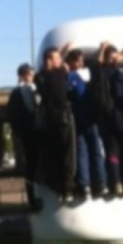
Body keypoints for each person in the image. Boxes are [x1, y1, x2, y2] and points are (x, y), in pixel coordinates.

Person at [89, 39, 123, 196]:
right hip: (121, 115)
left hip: (106, 117)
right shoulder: (118, 73)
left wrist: (103, 49)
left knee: (112, 150)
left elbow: (97, 62)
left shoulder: (100, 71)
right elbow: (120, 91)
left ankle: (115, 182)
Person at [35, 45, 77, 203]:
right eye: (57, 58)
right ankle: (68, 189)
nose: (60, 60)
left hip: (49, 121)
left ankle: (59, 188)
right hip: (63, 119)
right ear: (50, 61)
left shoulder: (39, 78)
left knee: (55, 155)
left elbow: (47, 71)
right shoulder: (60, 74)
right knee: (68, 154)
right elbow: (62, 69)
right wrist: (66, 52)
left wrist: (62, 51)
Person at [65, 49, 107, 198]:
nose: (81, 63)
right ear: (70, 62)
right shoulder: (77, 77)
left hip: (80, 118)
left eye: (82, 60)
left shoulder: (69, 77)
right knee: (94, 150)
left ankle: (86, 184)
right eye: (78, 60)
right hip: (88, 118)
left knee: (84, 151)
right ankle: (99, 183)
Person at [7, 62, 40, 210]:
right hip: (29, 134)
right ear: (22, 76)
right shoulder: (17, 93)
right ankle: (33, 200)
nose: (32, 77)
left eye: (33, 74)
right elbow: (14, 116)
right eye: (29, 74)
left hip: (38, 132)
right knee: (31, 167)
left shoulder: (37, 88)